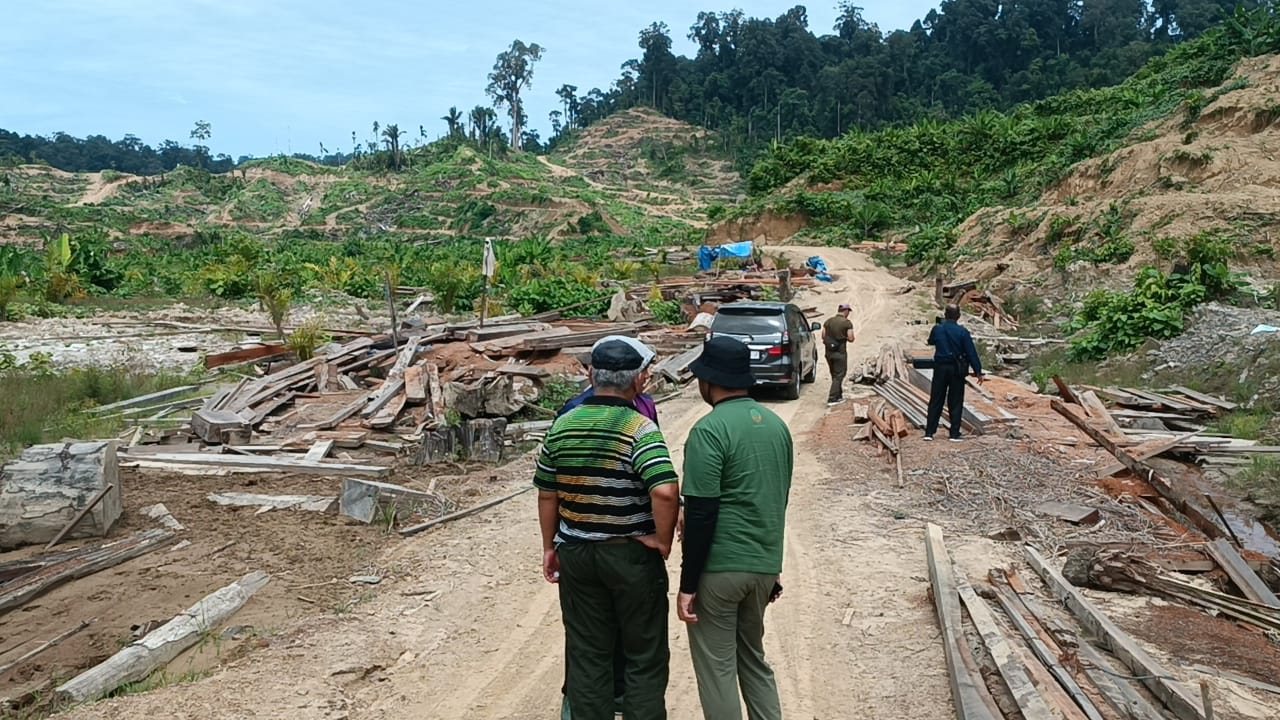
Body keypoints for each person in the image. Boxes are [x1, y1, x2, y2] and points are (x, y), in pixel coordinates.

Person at [536, 337, 680, 720]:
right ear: (639, 381)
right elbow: (665, 491)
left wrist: (550, 546)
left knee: (588, 654)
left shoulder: (562, 426)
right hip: (630, 553)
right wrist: (662, 542)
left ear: (590, 375)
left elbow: (547, 494)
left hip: (578, 555)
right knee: (644, 655)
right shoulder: (639, 428)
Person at [678, 336, 793, 720]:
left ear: (708, 381)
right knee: (754, 660)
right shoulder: (778, 428)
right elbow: (777, 500)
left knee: (718, 668)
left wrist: (688, 583)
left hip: (720, 568)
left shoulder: (709, 431)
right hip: (762, 566)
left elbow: (700, 512)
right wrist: (771, 568)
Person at [924, 304, 985, 442]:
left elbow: (930, 341)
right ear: (958, 316)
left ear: (945, 315)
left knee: (936, 399)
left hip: (940, 368)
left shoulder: (937, 329)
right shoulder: (962, 332)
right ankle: (954, 433)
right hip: (956, 369)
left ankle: (929, 432)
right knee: (956, 401)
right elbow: (971, 353)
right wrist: (978, 371)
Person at [821, 303, 856, 405]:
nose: (848, 313)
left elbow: (823, 335)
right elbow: (851, 338)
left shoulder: (828, 321)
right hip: (840, 353)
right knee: (839, 375)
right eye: (848, 311)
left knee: (834, 375)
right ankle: (832, 398)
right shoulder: (847, 323)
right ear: (846, 311)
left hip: (828, 352)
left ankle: (838, 395)